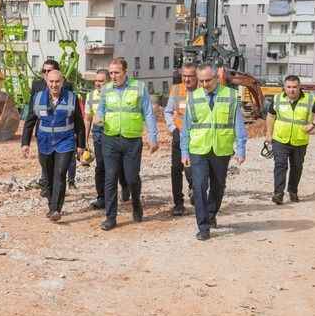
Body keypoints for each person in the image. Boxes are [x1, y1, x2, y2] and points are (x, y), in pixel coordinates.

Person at [181, 64, 248, 241]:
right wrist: (184, 152)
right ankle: (203, 227)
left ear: (216, 78)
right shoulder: (193, 98)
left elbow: (238, 124)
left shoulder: (231, 95)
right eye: (201, 81)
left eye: (208, 80)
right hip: (198, 149)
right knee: (199, 186)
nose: (204, 84)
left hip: (221, 148)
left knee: (218, 186)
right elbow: (186, 128)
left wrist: (241, 148)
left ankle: (211, 214)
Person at [95, 58, 159, 231]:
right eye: (111, 73)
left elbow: (148, 112)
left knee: (131, 178)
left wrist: (153, 137)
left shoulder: (139, 87)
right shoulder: (106, 89)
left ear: (125, 72)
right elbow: (101, 109)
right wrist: (98, 117)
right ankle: (110, 217)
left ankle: (136, 203)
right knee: (110, 177)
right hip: (110, 139)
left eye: (117, 72)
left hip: (132, 140)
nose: (113, 76)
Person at [21, 70, 86, 221]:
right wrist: (25, 143)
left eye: (57, 81)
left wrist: (80, 144)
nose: (54, 85)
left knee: (60, 174)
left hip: (65, 141)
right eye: (51, 81)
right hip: (44, 142)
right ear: (46, 81)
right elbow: (30, 121)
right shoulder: (37, 98)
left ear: (62, 82)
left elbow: (79, 123)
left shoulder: (71, 98)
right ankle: (52, 205)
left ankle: (56, 209)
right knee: (48, 176)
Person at [265, 75, 315, 204]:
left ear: (299, 87)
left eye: (294, 87)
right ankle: (278, 194)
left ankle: (293, 191)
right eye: (288, 87)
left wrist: (313, 125)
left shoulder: (310, 99)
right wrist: (268, 134)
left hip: (300, 140)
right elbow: (271, 116)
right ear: (284, 87)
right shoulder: (277, 99)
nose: (291, 90)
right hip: (280, 139)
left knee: (297, 167)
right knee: (280, 165)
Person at [27, 60, 77, 194]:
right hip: (44, 132)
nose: (46, 73)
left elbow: (72, 110)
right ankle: (47, 186)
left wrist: (76, 134)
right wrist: (25, 140)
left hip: (64, 133)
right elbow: (32, 113)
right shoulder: (37, 85)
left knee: (62, 165)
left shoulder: (67, 86)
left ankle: (64, 183)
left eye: (49, 71)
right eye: (44, 71)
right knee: (46, 162)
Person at [85, 69, 129, 210]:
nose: (98, 83)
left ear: (108, 81)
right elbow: (87, 118)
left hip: (114, 132)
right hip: (98, 133)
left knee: (118, 165)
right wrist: (85, 140)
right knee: (101, 167)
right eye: (96, 81)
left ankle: (125, 185)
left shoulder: (115, 94)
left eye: (101, 81)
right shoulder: (90, 96)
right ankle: (102, 197)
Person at [163, 63, 198, 216]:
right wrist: (172, 128)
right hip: (179, 135)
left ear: (197, 77)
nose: (187, 79)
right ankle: (178, 204)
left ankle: (195, 189)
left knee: (193, 168)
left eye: (190, 76)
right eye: (185, 76)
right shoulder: (176, 90)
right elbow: (168, 111)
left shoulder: (203, 91)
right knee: (176, 169)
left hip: (197, 137)